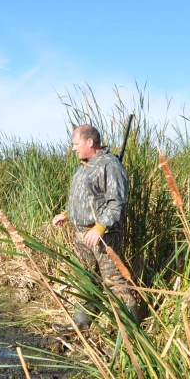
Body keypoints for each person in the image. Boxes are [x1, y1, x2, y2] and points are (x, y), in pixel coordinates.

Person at [52, 124, 139, 327]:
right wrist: (66, 214)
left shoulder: (109, 164)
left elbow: (116, 202)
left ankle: (130, 330)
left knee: (116, 282)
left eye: (76, 144)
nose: (73, 148)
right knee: (85, 279)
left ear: (89, 142)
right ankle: (81, 325)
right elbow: (83, 197)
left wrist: (99, 228)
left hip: (104, 236)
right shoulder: (84, 165)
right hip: (81, 235)